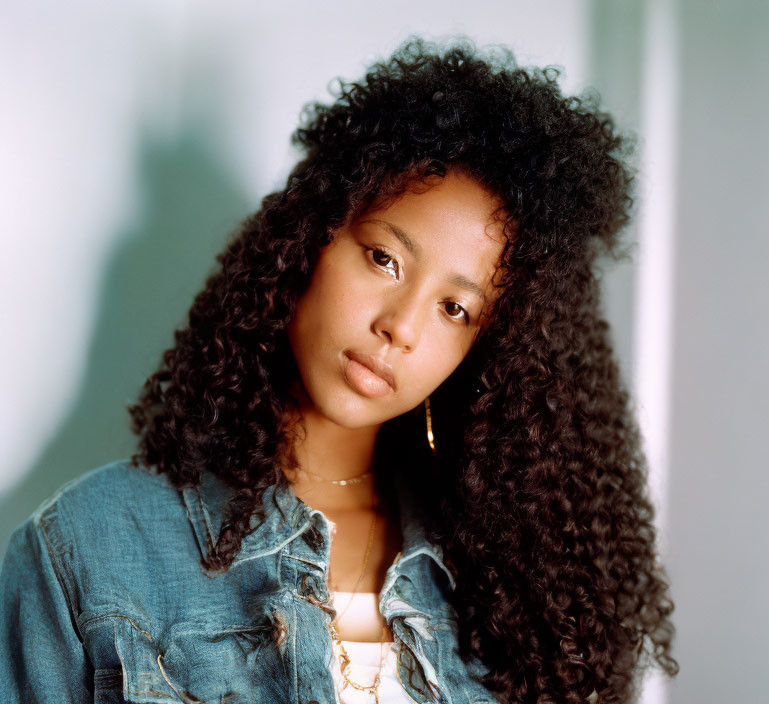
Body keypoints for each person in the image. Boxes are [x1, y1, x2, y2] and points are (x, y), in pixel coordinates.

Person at [0, 37, 677, 703]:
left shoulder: (510, 592)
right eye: (385, 259)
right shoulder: (86, 550)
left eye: (455, 308)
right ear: (309, 240)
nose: (401, 327)